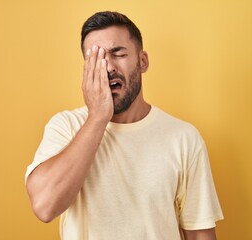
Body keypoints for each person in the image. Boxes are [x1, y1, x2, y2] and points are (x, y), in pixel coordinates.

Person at [25, 11, 223, 240]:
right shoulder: (66, 126)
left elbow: (200, 233)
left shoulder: (184, 137)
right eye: (96, 59)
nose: (108, 67)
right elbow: (44, 206)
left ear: (143, 61)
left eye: (118, 54)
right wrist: (98, 117)